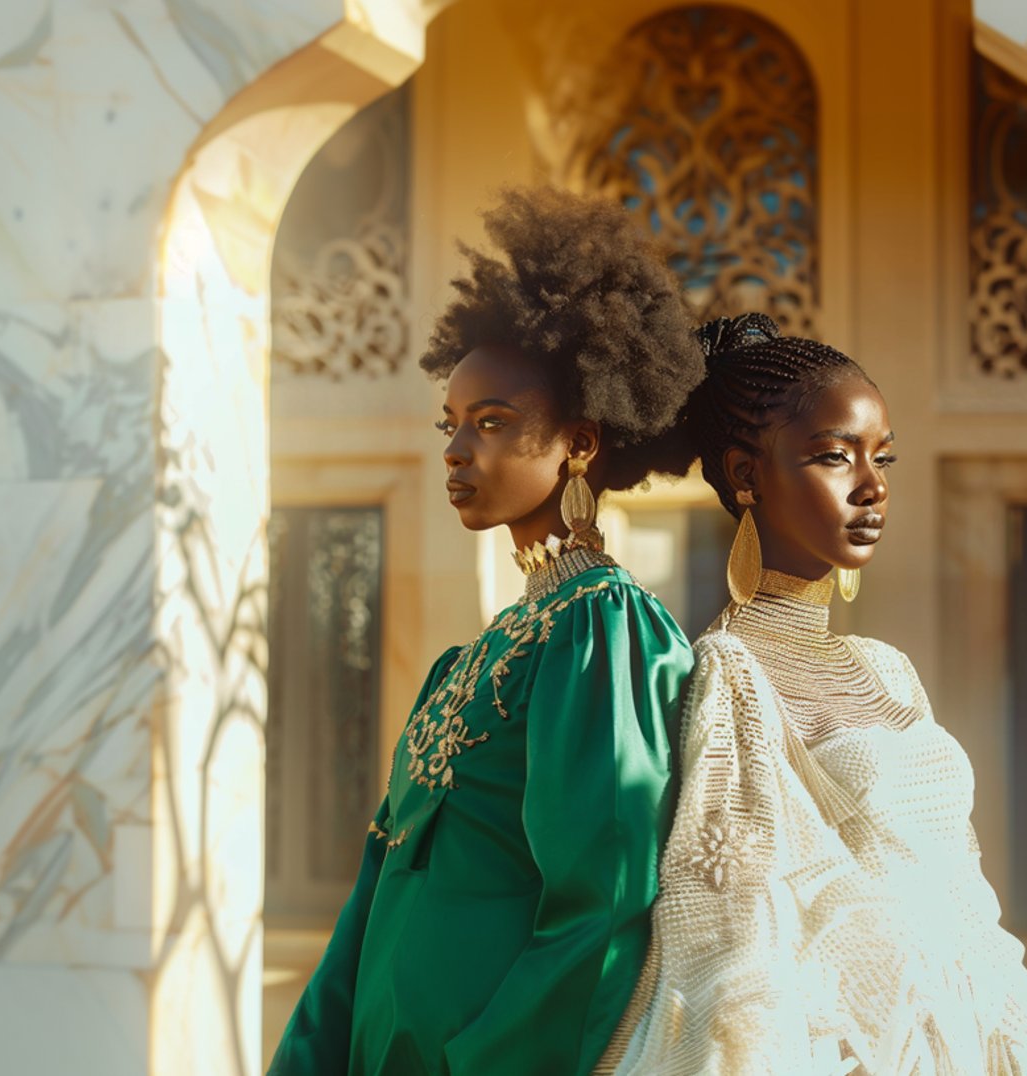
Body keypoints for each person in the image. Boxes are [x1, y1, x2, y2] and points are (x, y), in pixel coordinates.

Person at [269, 188, 705, 1076]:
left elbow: (602, 911)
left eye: (493, 422)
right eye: (452, 423)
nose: (456, 448)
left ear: (580, 444)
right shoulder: (463, 665)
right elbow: (368, 905)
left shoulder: (600, 633)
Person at [602, 314, 1027, 1075]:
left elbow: (964, 895)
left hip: (987, 1024)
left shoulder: (887, 669)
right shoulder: (730, 671)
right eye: (835, 457)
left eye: (883, 456)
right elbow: (734, 918)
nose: (873, 486)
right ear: (745, 474)